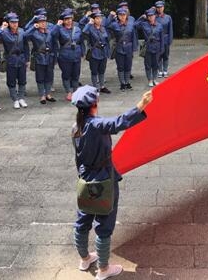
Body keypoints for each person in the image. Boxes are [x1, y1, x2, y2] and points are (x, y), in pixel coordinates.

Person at [71, 86, 152, 280]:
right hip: (103, 180)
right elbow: (119, 122)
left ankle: (84, 259)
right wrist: (142, 104)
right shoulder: (97, 125)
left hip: (85, 180)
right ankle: (104, 269)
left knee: (83, 221)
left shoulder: (75, 127)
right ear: (94, 104)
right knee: (104, 224)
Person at [0, 12, 30, 109]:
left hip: (21, 59)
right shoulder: (4, 32)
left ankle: (21, 98)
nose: (14, 24)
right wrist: (2, 27)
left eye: (16, 22)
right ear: (8, 22)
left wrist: (27, 59)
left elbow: (26, 45)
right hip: (11, 59)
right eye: (12, 22)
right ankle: (15, 99)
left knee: (22, 80)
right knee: (11, 80)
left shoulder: (22, 31)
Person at [52, 9, 85, 101]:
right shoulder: (60, 29)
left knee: (76, 74)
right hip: (65, 56)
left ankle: (75, 92)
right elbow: (52, 35)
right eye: (66, 19)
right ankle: (68, 92)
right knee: (66, 74)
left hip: (76, 55)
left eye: (70, 18)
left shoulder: (77, 29)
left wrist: (83, 52)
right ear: (63, 20)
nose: (69, 21)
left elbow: (81, 41)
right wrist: (57, 25)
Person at [27, 14, 57, 104]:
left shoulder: (50, 32)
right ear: (37, 23)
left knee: (49, 77)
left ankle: (48, 94)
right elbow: (25, 35)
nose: (43, 24)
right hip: (39, 58)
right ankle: (42, 95)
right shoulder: (34, 32)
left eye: (44, 22)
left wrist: (55, 57)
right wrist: (33, 25)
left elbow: (55, 44)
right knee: (40, 78)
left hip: (49, 57)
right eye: (41, 22)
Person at [107, 7, 138, 90]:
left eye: (124, 15)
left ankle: (127, 82)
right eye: (120, 15)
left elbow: (133, 36)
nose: (122, 16)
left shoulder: (130, 24)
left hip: (128, 47)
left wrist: (134, 47)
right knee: (120, 66)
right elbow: (105, 25)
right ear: (118, 16)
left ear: (126, 15)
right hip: (119, 47)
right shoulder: (114, 24)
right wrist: (110, 16)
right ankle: (122, 83)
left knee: (128, 66)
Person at [83, 12, 111, 94]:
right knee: (94, 71)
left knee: (102, 70)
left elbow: (106, 39)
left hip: (103, 52)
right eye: (97, 18)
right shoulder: (90, 28)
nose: (99, 20)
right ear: (93, 19)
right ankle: (95, 88)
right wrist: (89, 23)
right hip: (94, 52)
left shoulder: (103, 28)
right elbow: (84, 32)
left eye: (100, 18)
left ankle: (102, 86)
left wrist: (108, 51)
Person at [136, 8, 164, 87]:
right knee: (148, 65)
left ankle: (155, 79)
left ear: (155, 16)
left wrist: (162, 48)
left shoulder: (159, 25)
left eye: (152, 16)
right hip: (147, 47)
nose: (151, 17)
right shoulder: (144, 24)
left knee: (156, 64)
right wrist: (142, 17)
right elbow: (135, 25)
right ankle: (150, 80)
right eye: (149, 16)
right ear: (147, 17)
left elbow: (162, 38)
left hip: (157, 47)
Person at [154, 1, 173, 77]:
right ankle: (159, 70)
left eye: (161, 7)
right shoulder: (154, 17)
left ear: (163, 8)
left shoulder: (168, 17)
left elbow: (170, 29)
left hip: (165, 38)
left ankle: (165, 70)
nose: (159, 9)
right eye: (158, 8)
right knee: (158, 55)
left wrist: (170, 40)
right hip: (157, 39)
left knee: (165, 55)